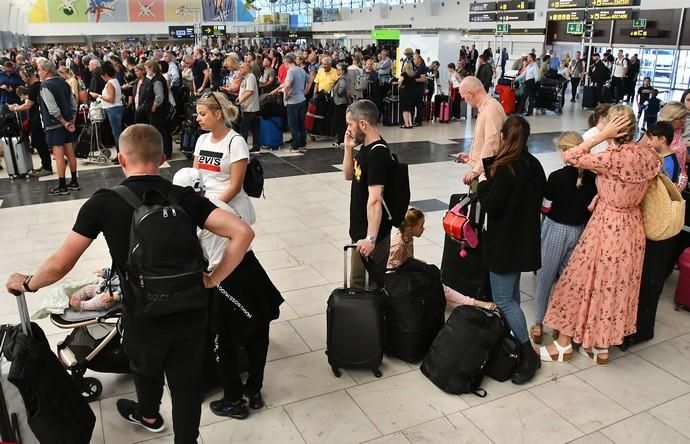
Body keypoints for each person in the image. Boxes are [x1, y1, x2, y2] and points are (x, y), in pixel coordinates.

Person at [5, 123, 254, 443]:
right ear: (163, 158)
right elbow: (242, 233)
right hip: (191, 309)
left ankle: (148, 414)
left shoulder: (103, 203)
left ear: (121, 159)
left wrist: (28, 283)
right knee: (186, 388)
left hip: (142, 313)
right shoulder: (184, 198)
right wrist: (212, 278)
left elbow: (59, 264)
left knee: (144, 367)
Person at [541, 105, 660, 366]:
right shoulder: (649, 157)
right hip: (632, 228)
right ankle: (600, 347)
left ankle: (563, 345)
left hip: (606, 226)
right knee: (614, 287)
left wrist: (600, 136)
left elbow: (570, 157)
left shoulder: (610, 158)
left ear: (613, 127)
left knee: (579, 280)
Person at [172, 168, 282, 420]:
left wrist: (212, 279)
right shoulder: (219, 202)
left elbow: (193, 256)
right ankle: (254, 390)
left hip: (226, 275)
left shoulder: (191, 216)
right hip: (252, 268)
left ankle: (233, 399)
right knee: (258, 332)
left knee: (224, 341)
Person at [476, 115, 545, 384]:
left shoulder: (506, 169)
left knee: (503, 299)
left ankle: (529, 353)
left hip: (504, 243)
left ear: (504, 137)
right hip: (524, 241)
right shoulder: (535, 165)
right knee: (512, 296)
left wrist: (483, 183)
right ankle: (513, 343)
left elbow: (492, 205)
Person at [531, 132, 597, 345]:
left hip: (555, 229)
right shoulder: (593, 179)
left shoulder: (556, 177)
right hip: (578, 231)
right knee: (568, 281)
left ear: (565, 151)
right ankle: (562, 325)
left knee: (545, 279)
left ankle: (539, 323)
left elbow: (545, 207)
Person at [620, 121, 679, 349]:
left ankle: (642, 330)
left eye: (651, 137)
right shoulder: (667, 159)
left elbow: (657, 190)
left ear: (661, 139)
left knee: (648, 284)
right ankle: (637, 328)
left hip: (659, 231)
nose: (648, 141)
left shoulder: (666, 163)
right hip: (658, 231)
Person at [387, 208, 497, 310]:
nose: (423, 229)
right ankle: (475, 303)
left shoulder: (407, 237)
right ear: (410, 228)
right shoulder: (398, 245)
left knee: (436, 281)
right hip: (399, 281)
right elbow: (393, 270)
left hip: (405, 274)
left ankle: (471, 303)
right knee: (440, 287)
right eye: (421, 226)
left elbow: (406, 261)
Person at [343, 99, 394, 288]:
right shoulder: (365, 150)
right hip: (360, 230)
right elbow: (349, 175)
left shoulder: (377, 154)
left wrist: (371, 238)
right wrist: (348, 149)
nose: (348, 128)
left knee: (361, 285)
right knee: (362, 285)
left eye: (350, 124)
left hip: (372, 235)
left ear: (363, 124)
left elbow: (375, 199)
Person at [193, 92, 256, 226]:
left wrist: (212, 208)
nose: (198, 118)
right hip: (206, 207)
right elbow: (195, 176)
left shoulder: (235, 142)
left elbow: (235, 187)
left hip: (230, 208)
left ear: (218, 114)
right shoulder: (201, 140)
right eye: (198, 114)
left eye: (203, 114)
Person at [35, 57, 79, 196]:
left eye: (39, 70)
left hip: (55, 124)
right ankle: (74, 181)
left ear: (46, 71)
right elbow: (73, 103)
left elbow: (52, 108)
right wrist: (71, 120)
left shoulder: (45, 86)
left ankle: (62, 185)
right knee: (70, 152)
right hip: (67, 122)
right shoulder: (64, 82)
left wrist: (64, 122)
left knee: (59, 155)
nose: (38, 73)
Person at [455, 76, 507, 186]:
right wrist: (471, 157)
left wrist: (476, 171)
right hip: (483, 167)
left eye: (464, 97)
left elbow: (492, 145)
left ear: (470, 94)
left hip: (487, 173)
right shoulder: (485, 108)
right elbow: (484, 141)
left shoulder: (491, 110)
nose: (465, 101)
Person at [7, 64, 52, 177]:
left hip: (37, 119)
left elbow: (28, 105)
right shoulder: (37, 86)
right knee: (39, 142)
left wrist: (15, 108)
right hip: (38, 117)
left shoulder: (34, 87)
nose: (22, 78)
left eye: (22, 75)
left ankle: (47, 167)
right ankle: (45, 165)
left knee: (38, 142)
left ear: (27, 75)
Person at [90, 61, 124, 162]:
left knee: (117, 133)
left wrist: (98, 95)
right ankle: (120, 154)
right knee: (117, 133)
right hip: (115, 108)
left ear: (105, 74)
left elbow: (111, 99)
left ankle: (120, 155)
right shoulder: (115, 81)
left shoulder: (110, 83)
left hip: (113, 109)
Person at [657, 101, 689, 191]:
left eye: (685, 117)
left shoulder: (678, 131)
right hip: (662, 180)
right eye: (681, 118)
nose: (684, 121)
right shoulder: (658, 133)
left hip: (678, 178)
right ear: (671, 118)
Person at [144, 60, 172, 160]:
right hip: (160, 111)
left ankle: (164, 152)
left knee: (161, 131)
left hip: (158, 111)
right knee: (162, 131)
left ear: (152, 68)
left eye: (147, 69)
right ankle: (165, 152)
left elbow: (159, 96)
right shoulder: (157, 78)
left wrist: (154, 106)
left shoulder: (157, 80)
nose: (146, 71)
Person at [282, 53, 308, 153]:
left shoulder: (290, 71)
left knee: (293, 124)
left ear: (287, 62)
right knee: (301, 123)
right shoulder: (301, 69)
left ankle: (295, 146)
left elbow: (287, 85)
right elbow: (310, 80)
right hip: (302, 99)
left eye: (284, 63)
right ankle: (303, 144)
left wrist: (286, 95)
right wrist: (305, 91)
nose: (284, 65)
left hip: (292, 102)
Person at [236, 61, 261, 153]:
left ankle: (243, 148)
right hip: (247, 107)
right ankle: (256, 146)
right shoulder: (245, 77)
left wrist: (240, 100)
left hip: (250, 107)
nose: (240, 69)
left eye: (242, 67)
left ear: (247, 68)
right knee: (254, 127)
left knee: (244, 127)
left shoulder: (250, 77)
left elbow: (250, 91)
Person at [331, 63, 350, 148]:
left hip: (340, 102)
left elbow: (342, 88)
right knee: (339, 121)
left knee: (340, 121)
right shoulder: (340, 78)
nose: (337, 71)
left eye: (338, 69)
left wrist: (338, 93)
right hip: (338, 102)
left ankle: (341, 139)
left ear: (342, 71)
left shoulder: (342, 79)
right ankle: (340, 138)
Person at [398, 61, 416, 129]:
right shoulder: (412, 74)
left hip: (404, 93)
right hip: (411, 93)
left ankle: (406, 124)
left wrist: (399, 85)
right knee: (409, 109)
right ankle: (410, 123)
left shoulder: (403, 74)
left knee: (404, 109)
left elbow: (400, 81)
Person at [412, 53, 427, 126]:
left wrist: (413, 80)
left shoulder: (422, 68)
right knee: (415, 105)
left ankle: (418, 121)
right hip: (415, 90)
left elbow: (423, 79)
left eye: (415, 59)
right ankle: (415, 119)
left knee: (419, 105)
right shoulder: (417, 67)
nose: (413, 60)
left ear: (419, 60)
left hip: (419, 90)